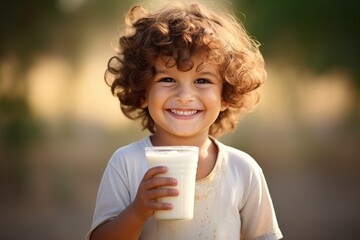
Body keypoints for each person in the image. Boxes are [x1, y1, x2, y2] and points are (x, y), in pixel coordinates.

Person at [87, 0, 283, 239]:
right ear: (142, 92)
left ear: (225, 96)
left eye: (202, 81)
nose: (184, 96)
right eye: (167, 80)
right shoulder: (126, 164)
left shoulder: (243, 170)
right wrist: (138, 211)